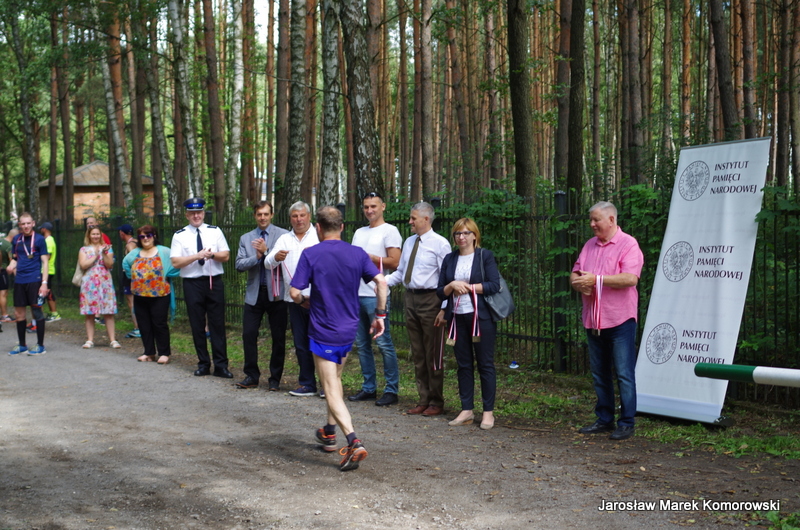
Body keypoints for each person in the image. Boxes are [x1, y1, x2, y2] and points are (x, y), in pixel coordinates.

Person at [289, 206, 387, 472]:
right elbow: (382, 283)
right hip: (348, 328)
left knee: (330, 387)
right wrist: (380, 315)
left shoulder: (311, 253)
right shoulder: (357, 253)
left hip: (323, 329)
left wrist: (303, 300)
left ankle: (354, 441)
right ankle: (329, 432)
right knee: (336, 380)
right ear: (342, 227)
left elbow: (294, 292)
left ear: (318, 228)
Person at [571, 201, 644, 441]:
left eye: (596, 220)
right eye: (591, 220)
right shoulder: (589, 245)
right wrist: (577, 283)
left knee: (623, 373)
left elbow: (630, 278)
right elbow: (576, 271)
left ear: (611, 220)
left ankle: (627, 422)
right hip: (593, 320)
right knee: (599, 373)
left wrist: (597, 280)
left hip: (620, 319)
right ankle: (604, 419)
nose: (592, 224)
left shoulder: (628, 244)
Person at [386, 202, 450, 416]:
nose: (410, 222)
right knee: (418, 352)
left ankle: (436, 401)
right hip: (411, 299)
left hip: (431, 300)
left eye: (413, 218)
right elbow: (401, 272)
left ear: (426, 219)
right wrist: (382, 281)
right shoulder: (409, 241)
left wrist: (444, 308)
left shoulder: (440, 244)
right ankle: (423, 398)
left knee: (433, 352)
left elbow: (447, 278)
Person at [435, 218, 501, 430]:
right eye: (457, 233)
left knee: (485, 364)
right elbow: (440, 291)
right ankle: (467, 410)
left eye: (466, 233)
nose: (461, 237)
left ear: (474, 235)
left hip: (480, 318)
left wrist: (469, 287)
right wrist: (452, 285)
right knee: (463, 365)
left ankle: (488, 412)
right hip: (457, 317)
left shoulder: (484, 256)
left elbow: (494, 285)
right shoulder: (450, 258)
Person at [348, 192, 402, 406]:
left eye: (373, 206)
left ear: (383, 206)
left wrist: (370, 257)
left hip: (376, 295)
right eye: (366, 207)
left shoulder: (390, 231)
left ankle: (391, 390)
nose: (369, 210)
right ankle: (369, 387)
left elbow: (395, 262)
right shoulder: (359, 232)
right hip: (357, 293)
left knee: (383, 343)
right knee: (362, 345)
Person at [170, 198, 232, 378]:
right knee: (197, 324)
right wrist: (196, 256)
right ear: (187, 215)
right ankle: (203, 363)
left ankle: (221, 365)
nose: (196, 216)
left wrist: (211, 255)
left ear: (204, 213)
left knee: (217, 324)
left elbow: (226, 255)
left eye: (199, 212)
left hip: (213, 281)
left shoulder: (215, 231)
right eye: (192, 213)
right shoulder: (179, 235)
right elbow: (175, 262)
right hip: (192, 283)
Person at [265, 201, 320, 396]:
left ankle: (326, 385)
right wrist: (275, 258)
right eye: (295, 216)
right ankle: (307, 384)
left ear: (309, 216)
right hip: (294, 300)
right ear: (290, 219)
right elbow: (267, 263)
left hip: (318, 299)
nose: (299, 219)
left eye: (302, 215)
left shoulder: (318, 235)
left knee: (320, 342)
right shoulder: (284, 239)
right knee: (301, 344)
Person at [235, 201, 289, 390]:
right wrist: (256, 257)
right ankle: (251, 375)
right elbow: (239, 265)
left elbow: (287, 261)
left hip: (277, 293)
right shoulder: (246, 238)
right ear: (255, 216)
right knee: (248, 334)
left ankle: (275, 379)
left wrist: (266, 252)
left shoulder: (283, 235)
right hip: (254, 293)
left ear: (272, 215)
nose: (263, 217)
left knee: (278, 337)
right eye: (259, 214)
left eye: (266, 214)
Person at [123, 225, 179, 364]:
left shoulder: (164, 251)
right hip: (140, 294)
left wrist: (167, 274)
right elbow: (125, 264)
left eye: (148, 235)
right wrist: (134, 277)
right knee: (144, 324)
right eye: (142, 236)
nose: (145, 239)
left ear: (154, 236)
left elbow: (177, 264)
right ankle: (149, 352)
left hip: (160, 294)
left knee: (159, 323)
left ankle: (164, 353)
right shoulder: (135, 253)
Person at [6, 214, 49, 355]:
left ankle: (40, 345)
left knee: (36, 311)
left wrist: (44, 283)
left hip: (34, 279)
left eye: (28, 223)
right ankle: (22, 345)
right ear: (19, 225)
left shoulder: (39, 239)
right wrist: (11, 266)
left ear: (33, 223)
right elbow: (15, 258)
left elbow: (45, 262)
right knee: (19, 314)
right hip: (20, 280)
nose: (26, 226)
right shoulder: (16, 239)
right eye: (23, 224)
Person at [78, 226, 120, 348]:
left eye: (97, 234)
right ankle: (90, 339)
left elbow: (110, 264)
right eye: (93, 234)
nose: (95, 236)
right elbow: (83, 265)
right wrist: (95, 255)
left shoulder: (107, 248)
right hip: (89, 283)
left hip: (105, 281)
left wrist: (104, 253)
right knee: (90, 312)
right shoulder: (84, 250)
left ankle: (112, 340)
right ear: (89, 236)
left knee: (108, 311)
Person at [118, 224, 140, 338]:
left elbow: (133, 259)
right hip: (138, 276)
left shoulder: (130, 245)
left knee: (131, 302)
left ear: (122, 233)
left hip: (130, 276)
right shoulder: (137, 242)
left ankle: (137, 328)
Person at [37, 222, 60, 322]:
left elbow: (48, 256)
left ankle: (53, 313)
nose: (40, 230)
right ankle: (52, 313)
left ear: (44, 229)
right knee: (47, 292)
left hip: (47, 270)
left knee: (44, 292)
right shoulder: (48, 240)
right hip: (46, 270)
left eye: (41, 228)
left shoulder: (49, 241)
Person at [0, 228, 17, 323]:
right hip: (2, 271)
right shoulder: (9, 246)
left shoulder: (1, 241)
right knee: (3, 293)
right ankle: (4, 315)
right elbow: (12, 261)